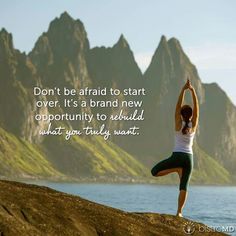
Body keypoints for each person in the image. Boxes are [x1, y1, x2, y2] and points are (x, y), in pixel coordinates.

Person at [151, 79, 199, 217]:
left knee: (154, 171)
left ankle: (174, 169)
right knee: (184, 186)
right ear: (190, 115)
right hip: (189, 159)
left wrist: (183, 90)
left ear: (180, 115)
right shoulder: (193, 124)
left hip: (177, 156)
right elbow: (197, 110)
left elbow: (177, 107)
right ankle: (179, 212)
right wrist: (193, 91)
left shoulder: (178, 123)